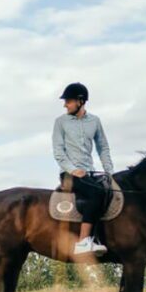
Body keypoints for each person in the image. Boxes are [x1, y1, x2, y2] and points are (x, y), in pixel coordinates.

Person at [52, 82, 114, 255]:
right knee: (96, 192)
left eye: (68, 101)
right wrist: (73, 170)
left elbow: (103, 148)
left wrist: (109, 172)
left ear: (80, 101)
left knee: (108, 192)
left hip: (89, 172)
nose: (65, 104)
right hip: (69, 174)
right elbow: (58, 152)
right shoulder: (60, 122)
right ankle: (83, 242)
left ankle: (98, 239)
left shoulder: (95, 121)